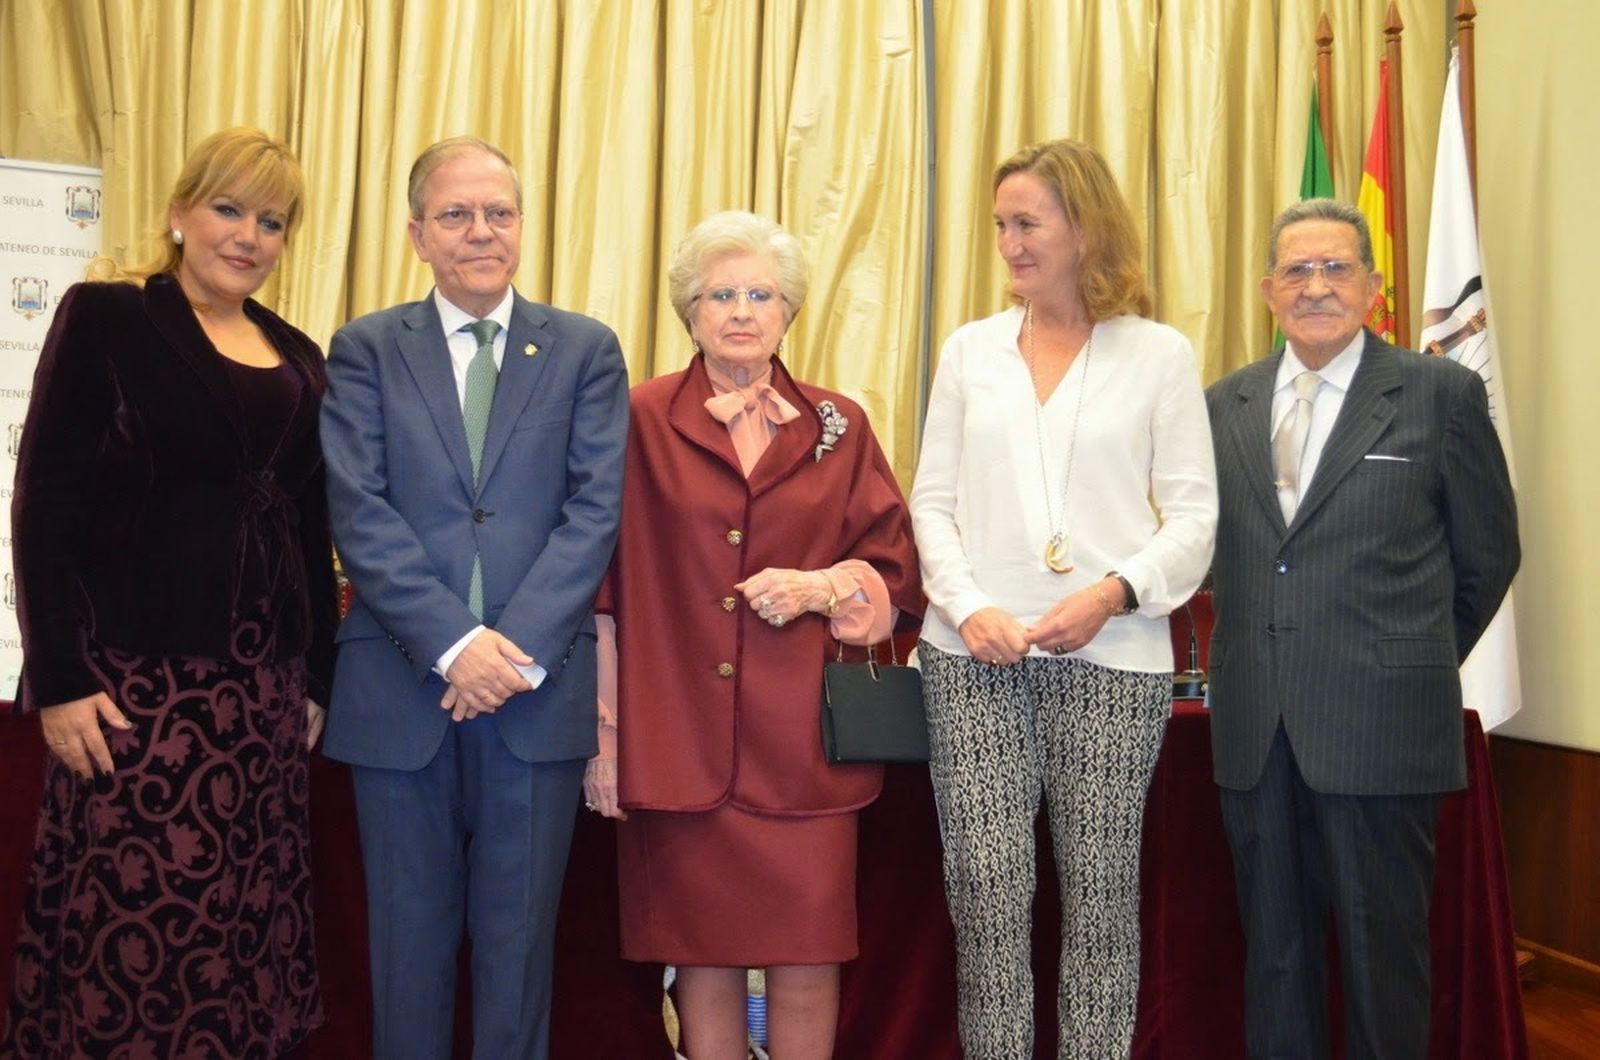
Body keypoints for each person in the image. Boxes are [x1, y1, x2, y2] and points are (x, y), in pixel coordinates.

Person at [2, 127, 335, 1058]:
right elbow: (44, 502)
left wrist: (316, 680)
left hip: (262, 697)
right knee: (135, 926)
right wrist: (61, 677)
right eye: (229, 209)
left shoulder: (300, 356)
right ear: (179, 214)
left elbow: (310, 529)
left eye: (272, 221)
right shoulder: (108, 317)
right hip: (134, 692)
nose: (249, 236)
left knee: (241, 927)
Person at [582, 210, 920, 1060]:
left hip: (803, 746)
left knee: (810, 953)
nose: (740, 310)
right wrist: (607, 738)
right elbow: (598, 592)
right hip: (676, 742)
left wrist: (822, 587)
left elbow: (896, 568)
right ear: (688, 312)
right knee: (702, 959)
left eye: (760, 293)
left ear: (788, 311)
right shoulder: (637, 419)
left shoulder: (839, 424)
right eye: (720, 293)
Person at [318, 136, 628, 1059]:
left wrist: (513, 649)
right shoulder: (367, 347)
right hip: (401, 691)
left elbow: (594, 511)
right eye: (456, 215)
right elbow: (357, 508)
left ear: (523, 226)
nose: (481, 231)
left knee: (519, 954)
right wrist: (459, 646)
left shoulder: (584, 350)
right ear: (417, 234)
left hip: (536, 695)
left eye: (499, 212)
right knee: (405, 955)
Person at [909, 139, 1217, 1056]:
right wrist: (968, 608)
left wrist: (1115, 593)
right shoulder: (970, 352)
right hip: (973, 660)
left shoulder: (1158, 353)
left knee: (1101, 899)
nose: (1008, 243)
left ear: (1084, 229)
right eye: (1001, 224)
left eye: (1027, 223)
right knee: (986, 894)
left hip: (1114, 658)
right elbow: (931, 503)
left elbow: (1195, 519)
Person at [1206, 197, 1518, 1058]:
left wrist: (1401, 664)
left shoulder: (1439, 393)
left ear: (1375, 288)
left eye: (1337, 267)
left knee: (1385, 960)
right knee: (1275, 959)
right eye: (1297, 271)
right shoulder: (1223, 402)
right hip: (1254, 728)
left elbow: (1487, 557)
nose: (1316, 286)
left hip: (1382, 728)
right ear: (1269, 290)